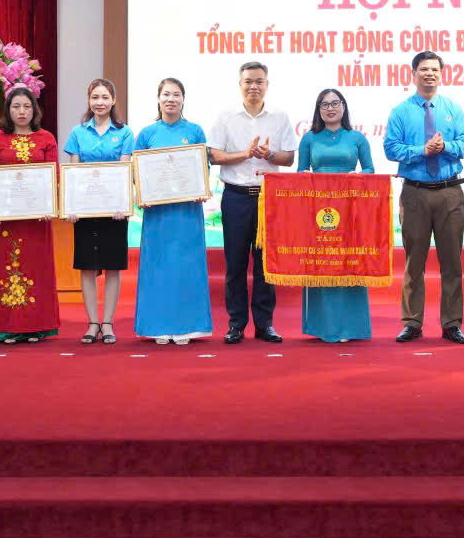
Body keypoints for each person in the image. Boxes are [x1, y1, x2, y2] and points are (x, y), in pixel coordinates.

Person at [384, 51, 464, 344]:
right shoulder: (400, 111)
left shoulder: (453, 109)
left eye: (434, 69)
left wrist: (445, 147)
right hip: (415, 193)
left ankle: (452, 324)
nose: (429, 74)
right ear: (413, 74)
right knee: (414, 263)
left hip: (449, 192)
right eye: (423, 69)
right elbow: (391, 149)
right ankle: (412, 323)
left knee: (452, 263)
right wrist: (421, 151)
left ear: (441, 74)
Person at [207, 61, 297, 344]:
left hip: (268, 198)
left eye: (259, 81)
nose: (253, 86)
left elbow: (289, 158)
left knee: (264, 264)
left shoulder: (279, 117)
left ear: (267, 85)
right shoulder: (225, 117)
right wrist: (244, 154)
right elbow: (213, 155)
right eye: (248, 81)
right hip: (235, 197)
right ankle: (236, 324)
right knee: (235, 264)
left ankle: (264, 324)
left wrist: (268, 155)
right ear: (240, 85)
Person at [132, 78, 213, 345]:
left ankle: (187, 328)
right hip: (157, 214)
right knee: (158, 266)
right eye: (166, 94)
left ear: (183, 99)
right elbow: (137, 171)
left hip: (187, 212)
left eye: (176, 94)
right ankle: (157, 327)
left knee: (186, 266)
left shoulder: (195, 131)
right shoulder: (147, 134)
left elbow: (203, 168)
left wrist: (202, 188)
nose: (171, 99)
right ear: (158, 98)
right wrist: (141, 194)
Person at [0, 85, 60, 345]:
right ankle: (6, 327)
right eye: (16, 106)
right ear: (8, 110)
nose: (22, 111)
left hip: (37, 220)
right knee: (5, 267)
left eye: (27, 106)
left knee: (36, 268)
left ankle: (35, 326)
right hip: (4, 221)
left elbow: (54, 176)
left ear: (34, 110)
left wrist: (50, 205)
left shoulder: (46, 138)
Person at [297, 88, 374, 342]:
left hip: (350, 209)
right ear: (318, 109)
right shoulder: (309, 138)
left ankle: (350, 327)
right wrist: (305, 177)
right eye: (324, 104)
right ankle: (323, 328)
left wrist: (358, 176)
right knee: (323, 263)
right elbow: (300, 172)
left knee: (348, 262)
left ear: (344, 106)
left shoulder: (357, 138)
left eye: (335, 103)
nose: (330, 108)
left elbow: (370, 170)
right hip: (318, 210)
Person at [63, 78, 135, 345]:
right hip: (85, 211)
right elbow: (73, 172)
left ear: (113, 100)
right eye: (95, 97)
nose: (100, 102)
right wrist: (71, 206)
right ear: (89, 100)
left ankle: (108, 323)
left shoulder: (125, 133)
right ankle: (92, 323)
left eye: (105, 97)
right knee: (87, 267)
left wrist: (123, 205)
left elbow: (124, 171)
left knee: (113, 267)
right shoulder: (77, 132)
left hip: (114, 211)